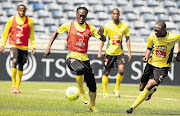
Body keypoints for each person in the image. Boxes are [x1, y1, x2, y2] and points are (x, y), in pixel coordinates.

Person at [44, 7, 105, 112]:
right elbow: (55, 33)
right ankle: (81, 91)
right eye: (80, 15)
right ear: (76, 15)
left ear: (86, 16)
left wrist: (102, 35)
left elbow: (103, 39)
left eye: (84, 16)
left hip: (85, 58)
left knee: (92, 85)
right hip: (72, 57)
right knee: (79, 69)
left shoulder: (90, 28)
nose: (81, 17)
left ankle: (93, 106)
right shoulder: (69, 25)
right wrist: (49, 47)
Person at [126, 20, 180, 114]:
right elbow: (149, 48)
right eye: (154, 30)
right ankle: (151, 91)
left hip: (163, 67)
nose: (155, 32)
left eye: (157, 30)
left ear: (164, 30)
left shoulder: (173, 37)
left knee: (149, 84)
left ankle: (132, 107)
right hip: (151, 64)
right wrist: (146, 56)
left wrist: (179, 52)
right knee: (141, 88)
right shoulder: (152, 36)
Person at [0, 4, 36, 94]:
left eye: (23, 10)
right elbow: (5, 33)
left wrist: (33, 46)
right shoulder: (11, 19)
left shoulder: (30, 21)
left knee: (21, 65)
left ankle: (17, 87)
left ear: (25, 11)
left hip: (24, 47)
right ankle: (13, 86)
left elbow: (31, 35)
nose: (22, 12)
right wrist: (2, 45)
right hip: (14, 45)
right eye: (20, 10)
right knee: (14, 61)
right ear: (17, 10)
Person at [97, 8, 131, 98]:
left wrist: (129, 52)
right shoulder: (107, 26)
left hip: (119, 52)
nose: (116, 15)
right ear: (112, 15)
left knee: (122, 70)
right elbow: (103, 39)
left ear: (119, 15)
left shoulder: (124, 26)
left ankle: (116, 89)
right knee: (107, 72)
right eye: (114, 14)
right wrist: (99, 51)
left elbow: (127, 39)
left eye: (117, 14)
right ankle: (105, 92)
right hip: (109, 52)